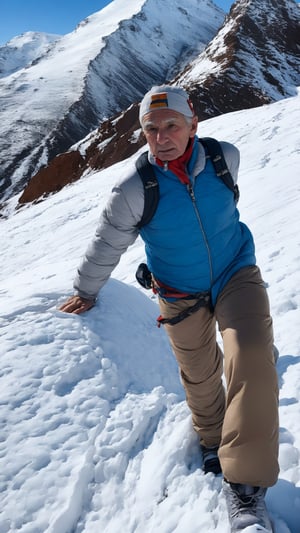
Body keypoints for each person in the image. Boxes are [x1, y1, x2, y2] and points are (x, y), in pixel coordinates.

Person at [60, 85, 279, 532]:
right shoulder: (134, 189)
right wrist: (86, 289)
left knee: (251, 356)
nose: (162, 137)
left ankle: (245, 485)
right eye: (151, 129)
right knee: (199, 375)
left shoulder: (224, 158)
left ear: (192, 124)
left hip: (236, 272)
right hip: (179, 291)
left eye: (171, 125)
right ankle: (214, 441)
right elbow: (107, 242)